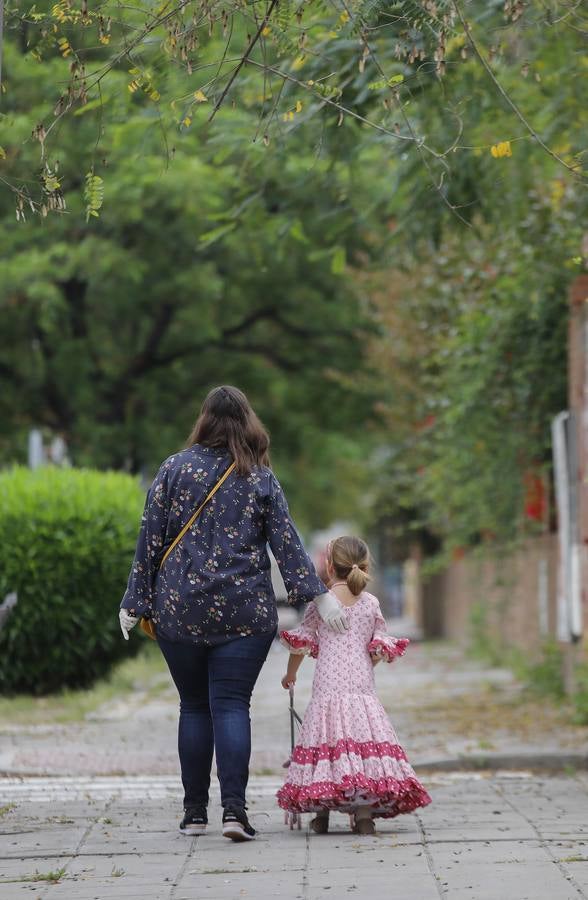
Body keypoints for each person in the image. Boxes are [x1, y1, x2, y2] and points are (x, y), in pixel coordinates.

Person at [118, 386, 348, 841]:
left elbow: (150, 540)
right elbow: (286, 542)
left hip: (179, 611)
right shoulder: (258, 476)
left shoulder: (172, 470)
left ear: (204, 418)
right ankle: (235, 813)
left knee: (194, 706)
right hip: (244, 613)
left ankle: (194, 814)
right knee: (230, 705)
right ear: (247, 421)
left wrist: (134, 602)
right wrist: (319, 596)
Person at [278, 535, 431, 835]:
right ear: (363, 564)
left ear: (329, 566)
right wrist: (363, 665)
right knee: (361, 744)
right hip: (362, 689)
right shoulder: (370, 603)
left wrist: (290, 675)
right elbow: (377, 649)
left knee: (327, 743)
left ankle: (321, 816)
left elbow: (302, 644)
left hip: (327, 690)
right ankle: (363, 816)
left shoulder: (321, 604)